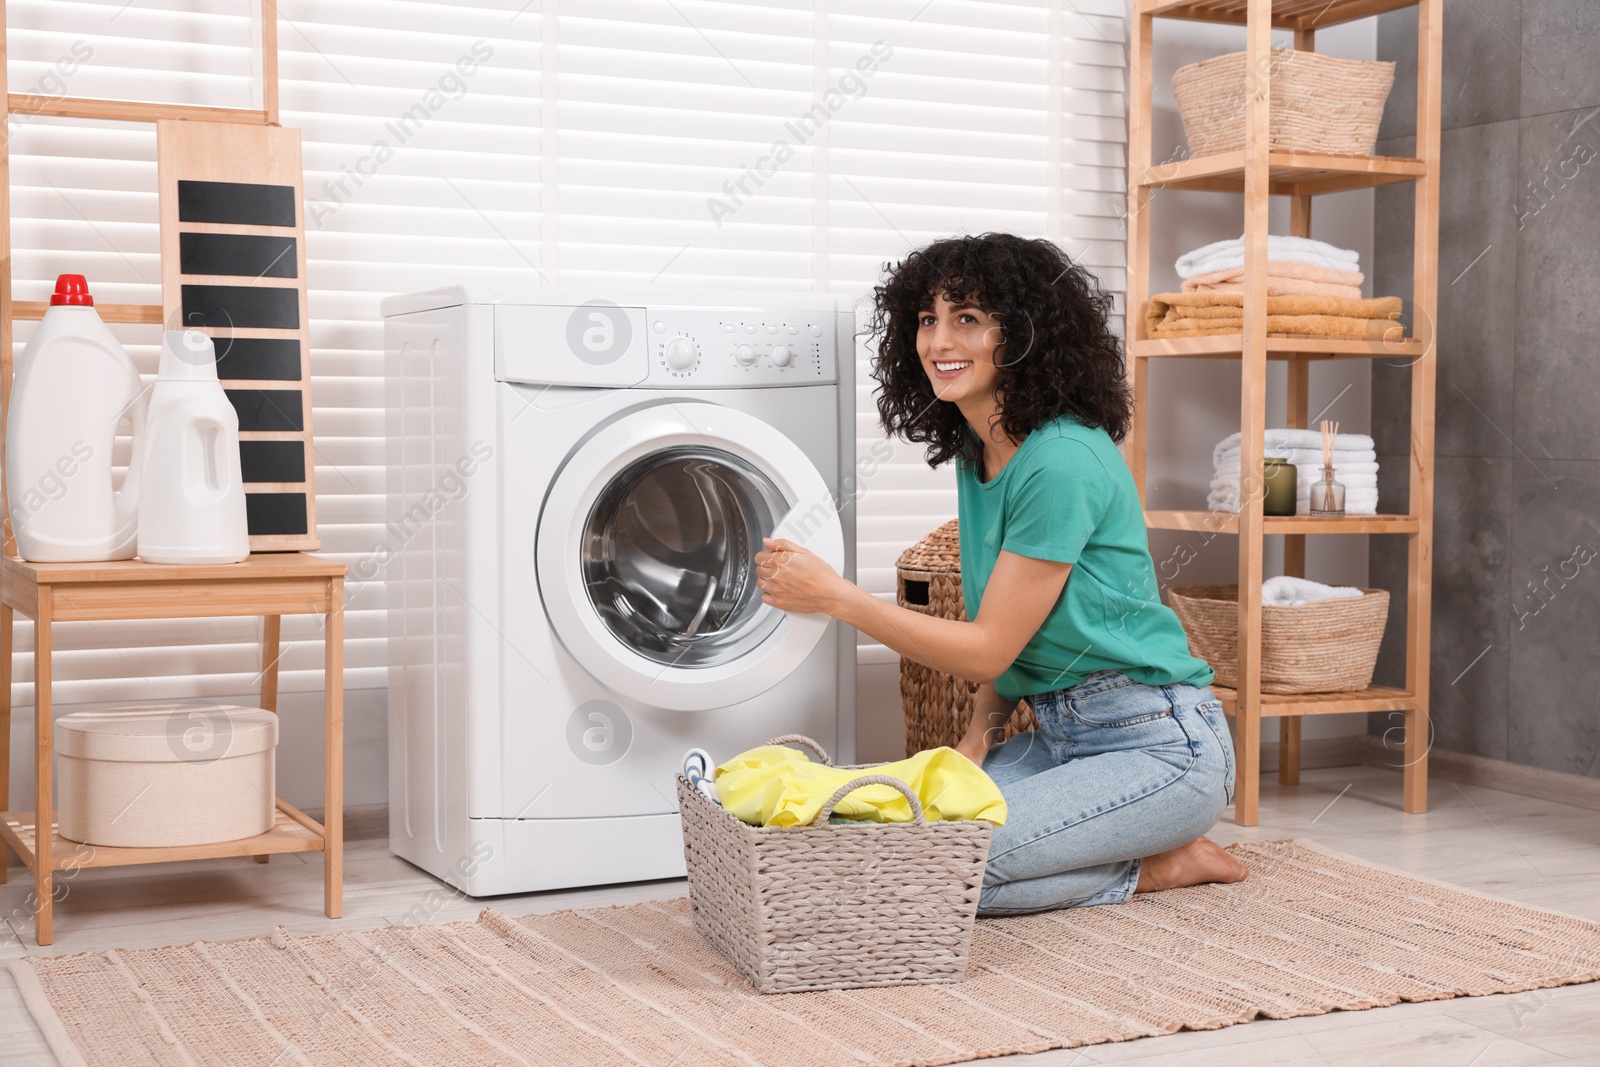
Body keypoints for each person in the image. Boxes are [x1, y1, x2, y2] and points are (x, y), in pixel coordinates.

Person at [753, 232, 1247, 914]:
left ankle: (1161, 866)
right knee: (881, 847)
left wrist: (837, 597)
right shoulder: (979, 448)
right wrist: (980, 733)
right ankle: (1123, 848)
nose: (938, 341)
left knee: (929, 880)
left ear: (1020, 334)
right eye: (927, 320)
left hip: (1164, 749)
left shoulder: (1062, 459)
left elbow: (990, 644)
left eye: (967, 318)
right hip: (1057, 737)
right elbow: (1017, 634)